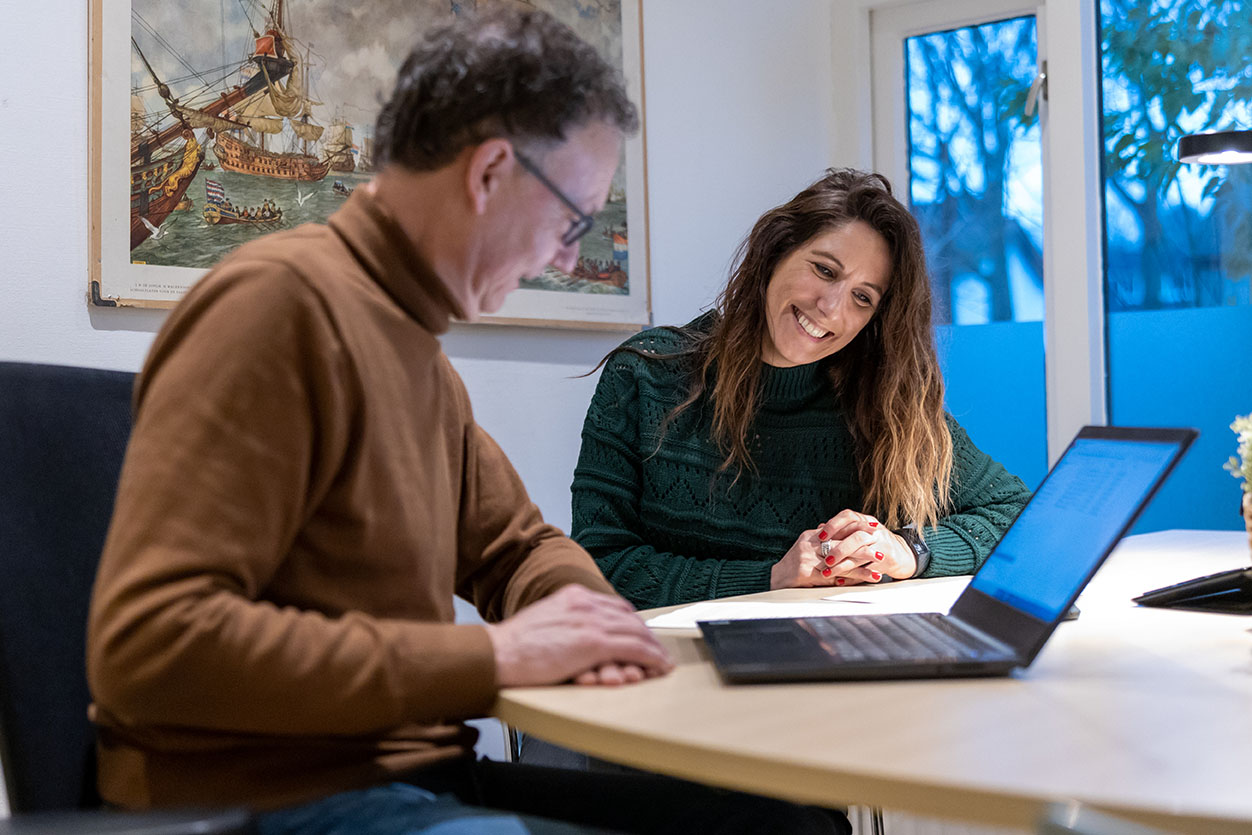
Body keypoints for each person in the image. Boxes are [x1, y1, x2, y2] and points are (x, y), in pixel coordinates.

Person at [87, 9, 847, 835]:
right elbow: (152, 646)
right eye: (573, 223)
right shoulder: (280, 308)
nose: (565, 257)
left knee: (792, 825)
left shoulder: (412, 349)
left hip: (404, 778)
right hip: (271, 798)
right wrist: (496, 657)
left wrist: (590, 622)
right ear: (489, 173)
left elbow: (515, 547)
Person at [571, 168, 1032, 610]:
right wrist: (770, 577)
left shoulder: (884, 404)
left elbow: (1019, 514)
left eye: (863, 297)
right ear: (775, 251)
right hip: (666, 669)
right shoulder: (645, 376)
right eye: (826, 271)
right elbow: (596, 567)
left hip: (832, 668)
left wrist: (908, 551)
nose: (830, 308)